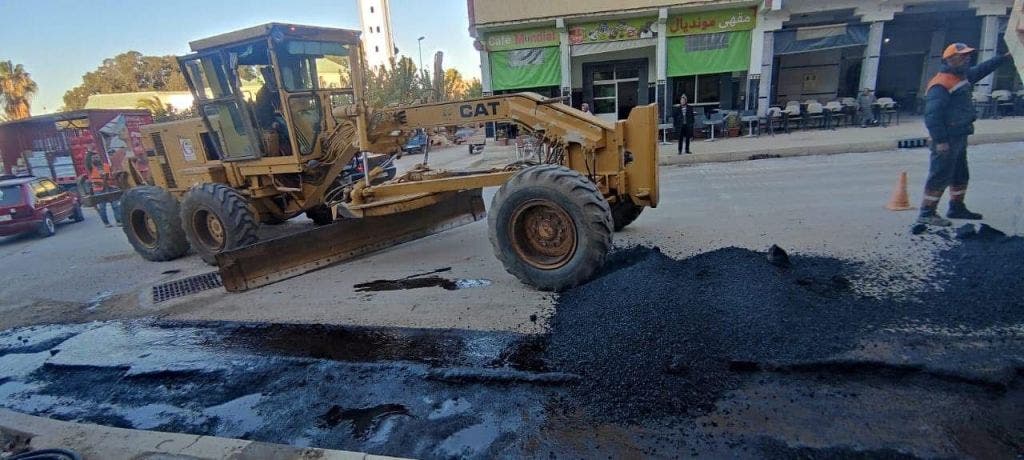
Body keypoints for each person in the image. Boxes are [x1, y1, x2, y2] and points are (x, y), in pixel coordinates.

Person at [917, 43, 1013, 226]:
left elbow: (984, 68)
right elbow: (932, 116)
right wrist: (941, 140)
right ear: (950, 59)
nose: (967, 59)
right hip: (947, 137)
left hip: (959, 134)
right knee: (940, 174)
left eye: (968, 56)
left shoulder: (962, 76)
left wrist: (1005, 57)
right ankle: (926, 212)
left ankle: (956, 207)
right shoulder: (941, 83)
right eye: (963, 56)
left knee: (960, 173)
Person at [88, 154, 122, 227]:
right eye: (93, 158)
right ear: (91, 160)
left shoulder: (106, 166)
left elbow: (112, 175)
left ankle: (118, 221)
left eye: (96, 157)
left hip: (110, 187)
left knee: (115, 205)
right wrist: (89, 152)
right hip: (99, 189)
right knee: (102, 208)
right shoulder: (91, 168)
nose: (95, 159)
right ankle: (106, 223)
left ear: (100, 158)